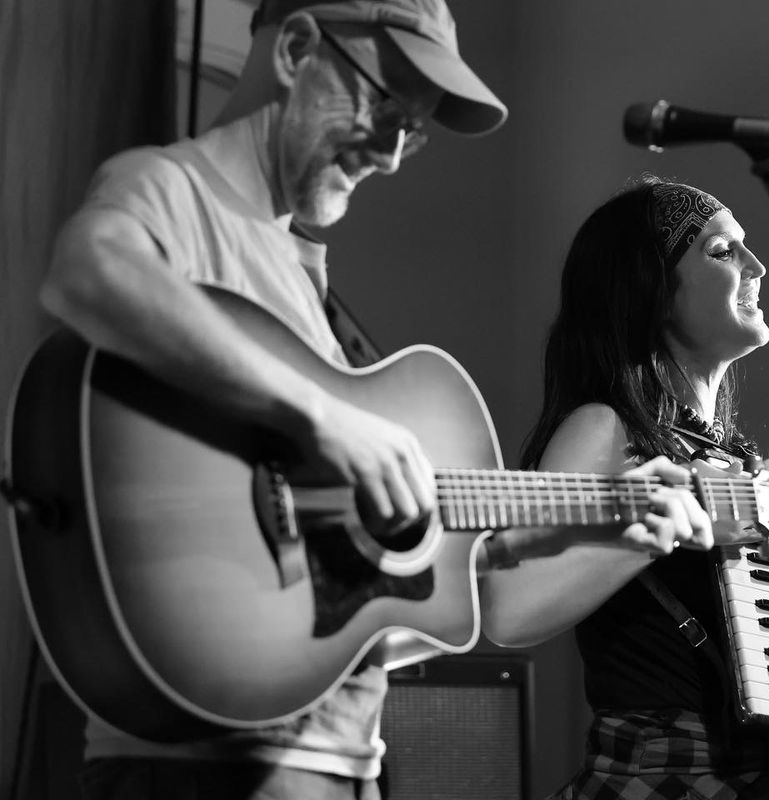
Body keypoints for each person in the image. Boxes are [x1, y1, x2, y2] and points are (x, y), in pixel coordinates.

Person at [39, 2, 709, 797]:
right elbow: (90, 273)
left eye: (413, 130)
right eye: (386, 109)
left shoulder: (298, 272)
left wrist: (575, 519)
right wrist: (325, 419)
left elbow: (363, 552)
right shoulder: (175, 190)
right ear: (294, 49)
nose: (392, 154)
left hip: (336, 759)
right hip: (202, 765)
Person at [482, 175, 769, 798]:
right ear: (652, 291)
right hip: (668, 773)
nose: (757, 266)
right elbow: (508, 608)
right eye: (722, 252)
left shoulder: (730, 453)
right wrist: (651, 531)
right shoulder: (603, 427)